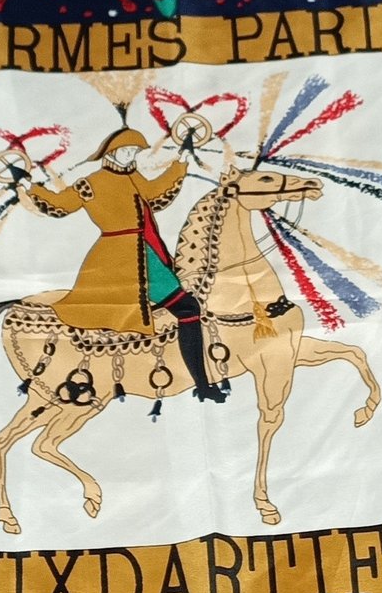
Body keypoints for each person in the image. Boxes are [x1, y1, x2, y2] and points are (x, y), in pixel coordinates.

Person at [16, 123, 227, 402]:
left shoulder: (133, 177)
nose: (131, 156)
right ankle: (201, 384)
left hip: (145, 253)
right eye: (126, 151)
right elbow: (62, 203)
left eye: (134, 152)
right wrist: (29, 186)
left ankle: (201, 383)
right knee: (187, 308)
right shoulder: (91, 183)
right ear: (111, 152)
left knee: (188, 308)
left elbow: (156, 193)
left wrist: (181, 162)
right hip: (118, 260)